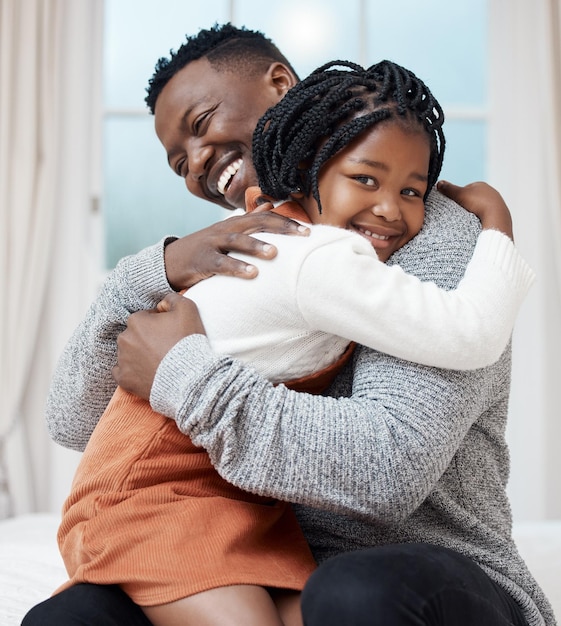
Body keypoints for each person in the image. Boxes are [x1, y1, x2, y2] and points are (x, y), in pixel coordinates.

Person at [24, 24, 556, 626]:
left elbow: (387, 470)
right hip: (266, 550)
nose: (197, 164)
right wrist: (157, 268)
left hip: (426, 570)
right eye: (179, 163)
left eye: (201, 125)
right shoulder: (246, 247)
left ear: (279, 85)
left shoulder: (423, 230)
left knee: (353, 593)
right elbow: (73, 419)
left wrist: (186, 373)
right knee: (68, 620)